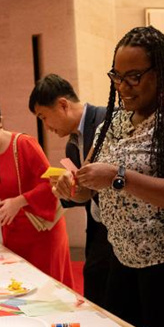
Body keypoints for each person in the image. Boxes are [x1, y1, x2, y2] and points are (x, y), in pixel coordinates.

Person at [53, 26, 164, 327]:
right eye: (117, 76)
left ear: (163, 71)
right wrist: (72, 187)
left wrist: (119, 176)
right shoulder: (113, 122)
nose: (123, 86)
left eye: (134, 77)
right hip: (125, 256)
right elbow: (89, 184)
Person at [0, 96, 75, 288]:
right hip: (12, 227)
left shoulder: (24, 144)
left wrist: (19, 201)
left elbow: (51, 183)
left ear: (0, 121)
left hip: (43, 227)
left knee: (49, 288)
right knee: (19, 286)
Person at [29, 74, 113, 306]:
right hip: (98, 230)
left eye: (44, 117)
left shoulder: (107, 119)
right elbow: (85, 194)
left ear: (63, 105)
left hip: (125, 230)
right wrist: (66, 189)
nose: (46, 126)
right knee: (96, 296)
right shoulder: (72, 143)